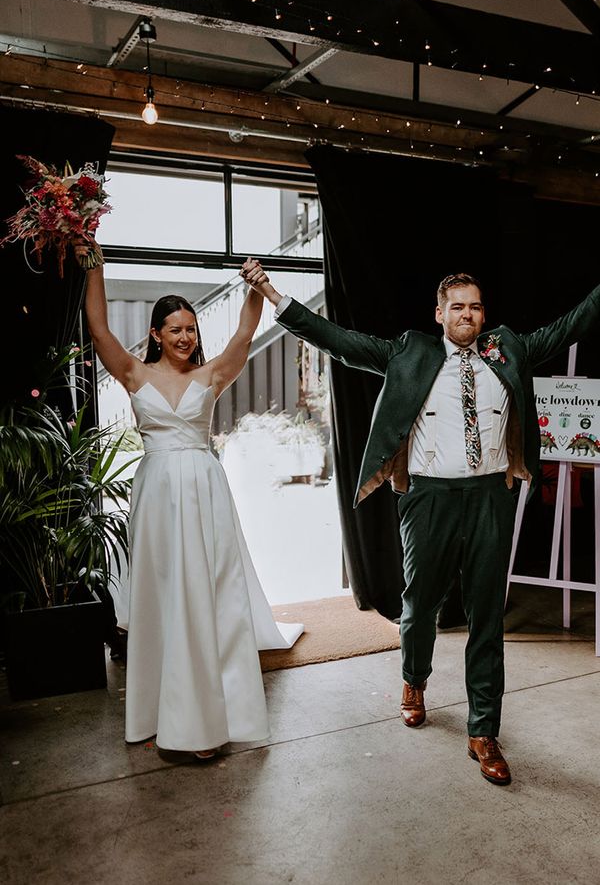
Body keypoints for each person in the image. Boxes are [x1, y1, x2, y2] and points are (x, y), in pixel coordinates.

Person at [240, 258, 600, 786]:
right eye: (457, 307)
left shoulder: (508, 348)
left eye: (475, 307)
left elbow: (572, 324)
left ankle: (484, 731)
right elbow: (340, 341)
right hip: (429, 497)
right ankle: (414, 679)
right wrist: (275, 296)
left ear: (484, 314)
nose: (467, 315)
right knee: (421, 603)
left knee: (487, 616)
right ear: (439, 313)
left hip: (491, 495)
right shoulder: (410, 351)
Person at [78, 241, 302, 761]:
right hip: (156, 496)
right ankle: (158, 713)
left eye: (191, 329)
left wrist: (254, 288)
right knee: (162, 600)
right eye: (175, 329)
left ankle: (208, 722)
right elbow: (100, 330)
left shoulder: (211, 375)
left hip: (204, 492)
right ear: (156, 334)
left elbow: (244, 334)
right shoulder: (134, 373)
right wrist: (95, 267)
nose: (185, 337)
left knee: (207, 599)